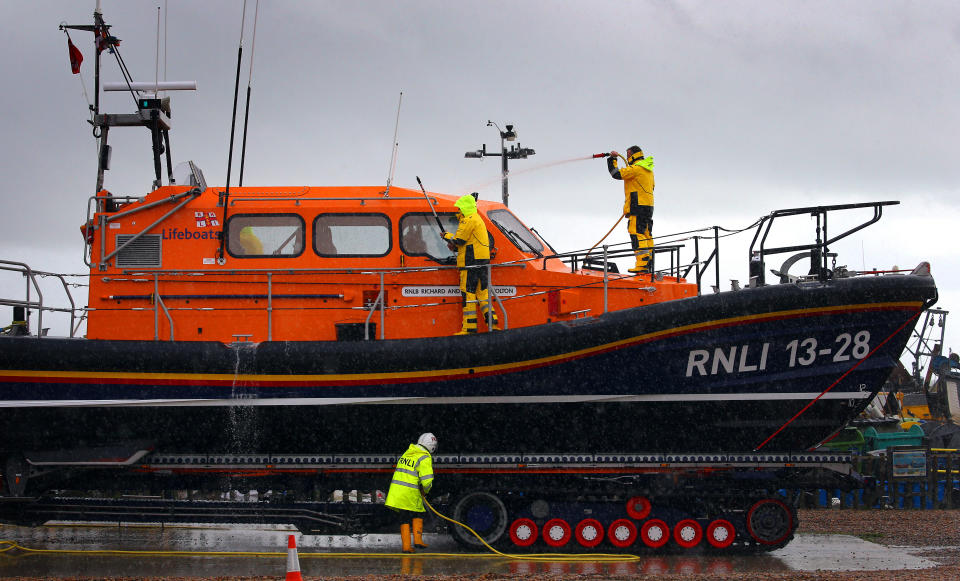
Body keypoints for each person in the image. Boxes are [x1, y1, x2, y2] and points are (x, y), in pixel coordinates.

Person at [443, 194, 499, 334]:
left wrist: (446, 236)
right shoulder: (477, 219)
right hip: (482, 262)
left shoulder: (468, 220)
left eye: (459, 209)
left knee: (468, 294)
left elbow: (459, 240)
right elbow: (467, 242)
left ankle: (469, 328)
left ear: (464, 208)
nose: (458, 212)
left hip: (470, 263)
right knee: (482, 293)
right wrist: (455, 246)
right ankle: (493, 325)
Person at [385, 432, 437, 553]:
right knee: (417, 514)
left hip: (398, 491)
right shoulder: (424, 456)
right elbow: (427, 480)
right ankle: (415, 542)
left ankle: (407, 546)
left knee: (405, 517)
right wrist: (426, 491)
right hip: (410, 492)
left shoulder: (408, 453)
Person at [608, 146, 655, 273]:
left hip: (637, 206)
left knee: (636, 233)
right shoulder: (649, 170)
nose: (627, 157)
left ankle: (643, 263)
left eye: (628, 155)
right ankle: (649, 262)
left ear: (633, 155)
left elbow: (616, 174)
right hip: (648, 206)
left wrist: (612, 159)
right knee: (646, 234)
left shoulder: (635, 169)